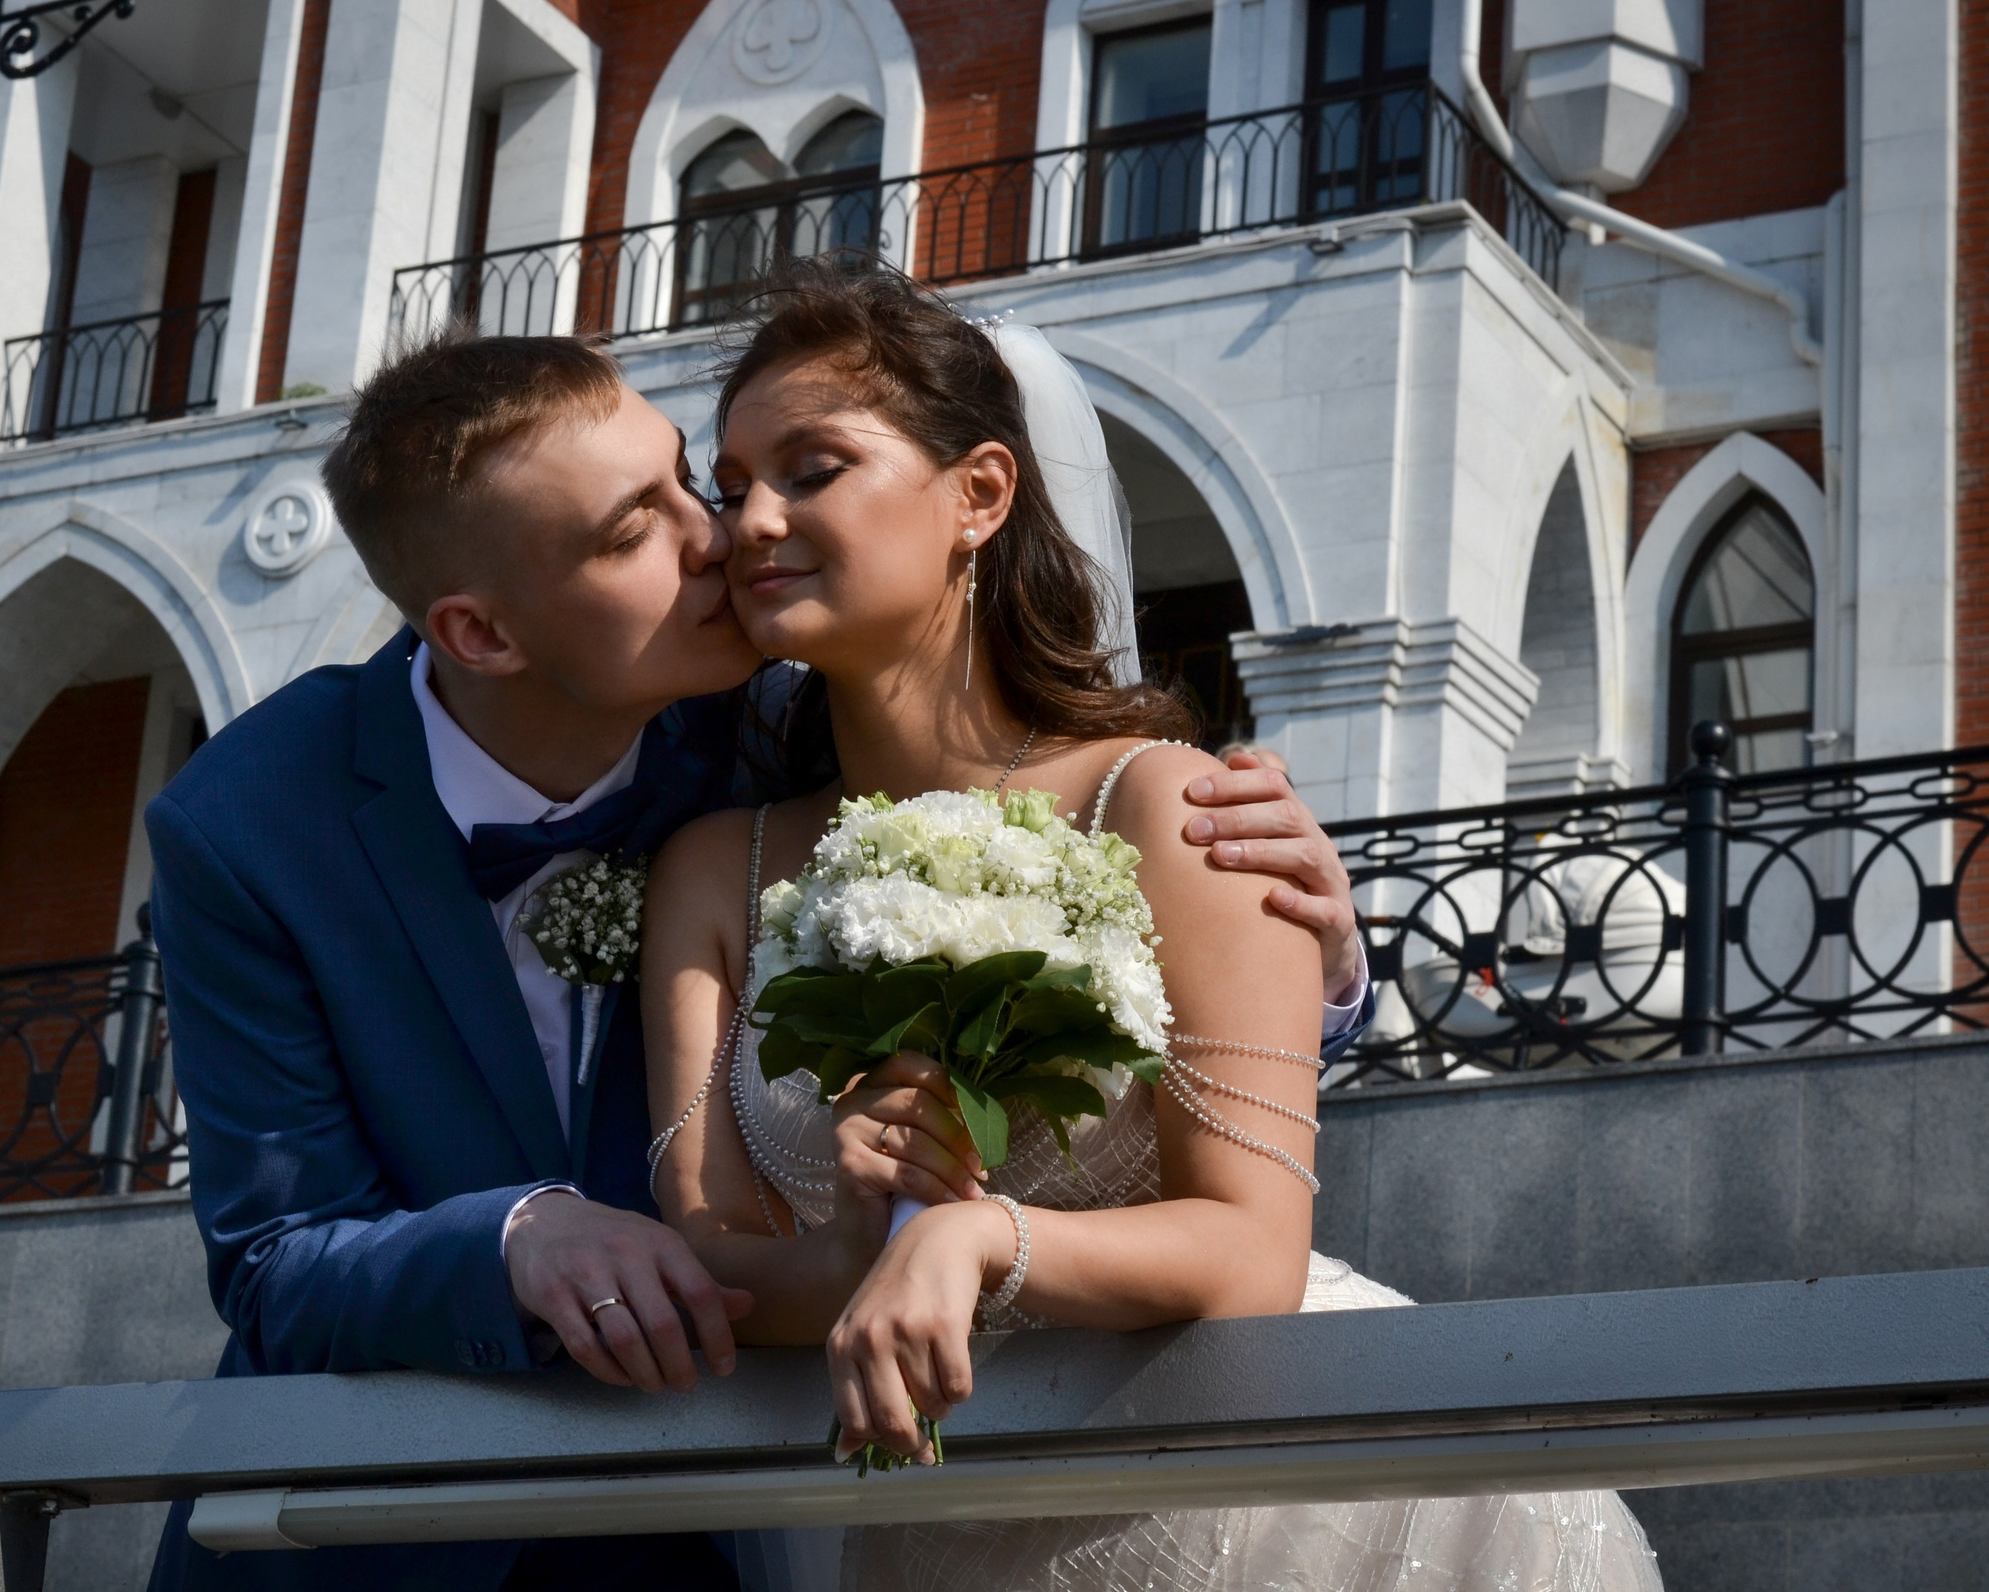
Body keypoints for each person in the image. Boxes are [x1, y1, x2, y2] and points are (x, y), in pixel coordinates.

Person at [143, 328, 1379, 1592]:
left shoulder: (774, 698)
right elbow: (272, 1255)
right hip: (372, 1533)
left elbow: (1085, 908)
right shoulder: (246, 826)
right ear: (479, 633)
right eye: (639, 528)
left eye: (695, 482)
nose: (719, 536)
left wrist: (1314, 954)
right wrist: (515, 1238)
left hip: (721, 1517)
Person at [642, 262, 1662, 1592]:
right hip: (921, 1513)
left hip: (1313, 1511)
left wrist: (972, 1236)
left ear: (981, 494)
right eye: (731, 484)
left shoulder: (1171, 803)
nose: (752, 520)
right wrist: (856, 1244)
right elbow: (705, 1257)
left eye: (813, 466)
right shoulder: (721, 865)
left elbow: (1251, 1247)